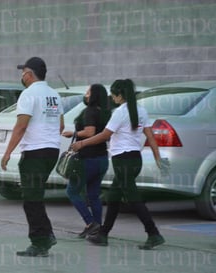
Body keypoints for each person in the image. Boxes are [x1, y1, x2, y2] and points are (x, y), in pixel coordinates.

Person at [71, 79, 165, 250]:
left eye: (114, 95)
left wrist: (82, 143)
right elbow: (150, 136)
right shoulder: (141, 111)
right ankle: (103, 234)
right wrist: (157, 157)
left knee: (134, 199)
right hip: (134, 160)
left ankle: (154, 233)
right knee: (113, 198)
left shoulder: (120, 113)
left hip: (123, 161)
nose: (112, 98)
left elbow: (104, 135)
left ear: (120, 95)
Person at [1, 57, 64, 257]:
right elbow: (60, 126)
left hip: (35, 152)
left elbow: (21, 126)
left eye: (23, 72)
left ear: (30, 74)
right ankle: (46, 236)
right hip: (52, 151)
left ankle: (40, 240)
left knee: (31, 198)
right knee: (35, 196)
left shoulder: (28, 94)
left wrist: (8, 152)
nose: (22, 76)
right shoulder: (54, 94)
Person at [62, 84, 111, 239]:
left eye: (88, 92)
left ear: (94, 95)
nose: (86, 94)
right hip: (102, 158)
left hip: (87, 158)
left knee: (72, 191)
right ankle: (97, 230)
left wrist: (74, 133)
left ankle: (90, 223)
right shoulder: (106, 112)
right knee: (93, 194)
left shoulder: (90, 111)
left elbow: (90, 132)